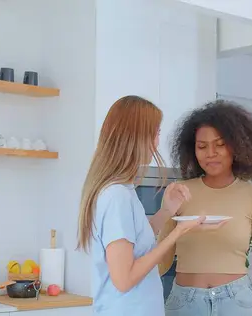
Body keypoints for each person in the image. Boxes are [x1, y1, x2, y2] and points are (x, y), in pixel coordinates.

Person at [77, 95, 227, 316]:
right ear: (137, 136)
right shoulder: (116, 196)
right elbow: (124, 279)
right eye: (156, 133)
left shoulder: (122, 190)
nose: (158, 142)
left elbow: (135, 241)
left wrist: (167, 210)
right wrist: (177, 233)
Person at [158, 99, 252, 316]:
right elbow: (161, 265)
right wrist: (167, 214)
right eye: (202, 146)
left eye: (220, 145)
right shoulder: (179, 193)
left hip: (236, 303)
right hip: (184, 303)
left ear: (237, 146)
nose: (210, 153)